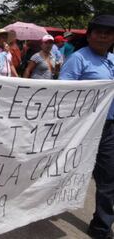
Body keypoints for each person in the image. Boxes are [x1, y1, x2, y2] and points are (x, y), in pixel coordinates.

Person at [59, 15, 114, 239]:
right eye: (98, 31)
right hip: (83, 127)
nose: (103, 35)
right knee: (64, 171)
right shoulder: (78, 59)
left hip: (109, 129)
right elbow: (63, 93)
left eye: (108, 32)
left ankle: (101, 227)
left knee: (109, 178)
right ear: (90, 35)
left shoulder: (112, 60)